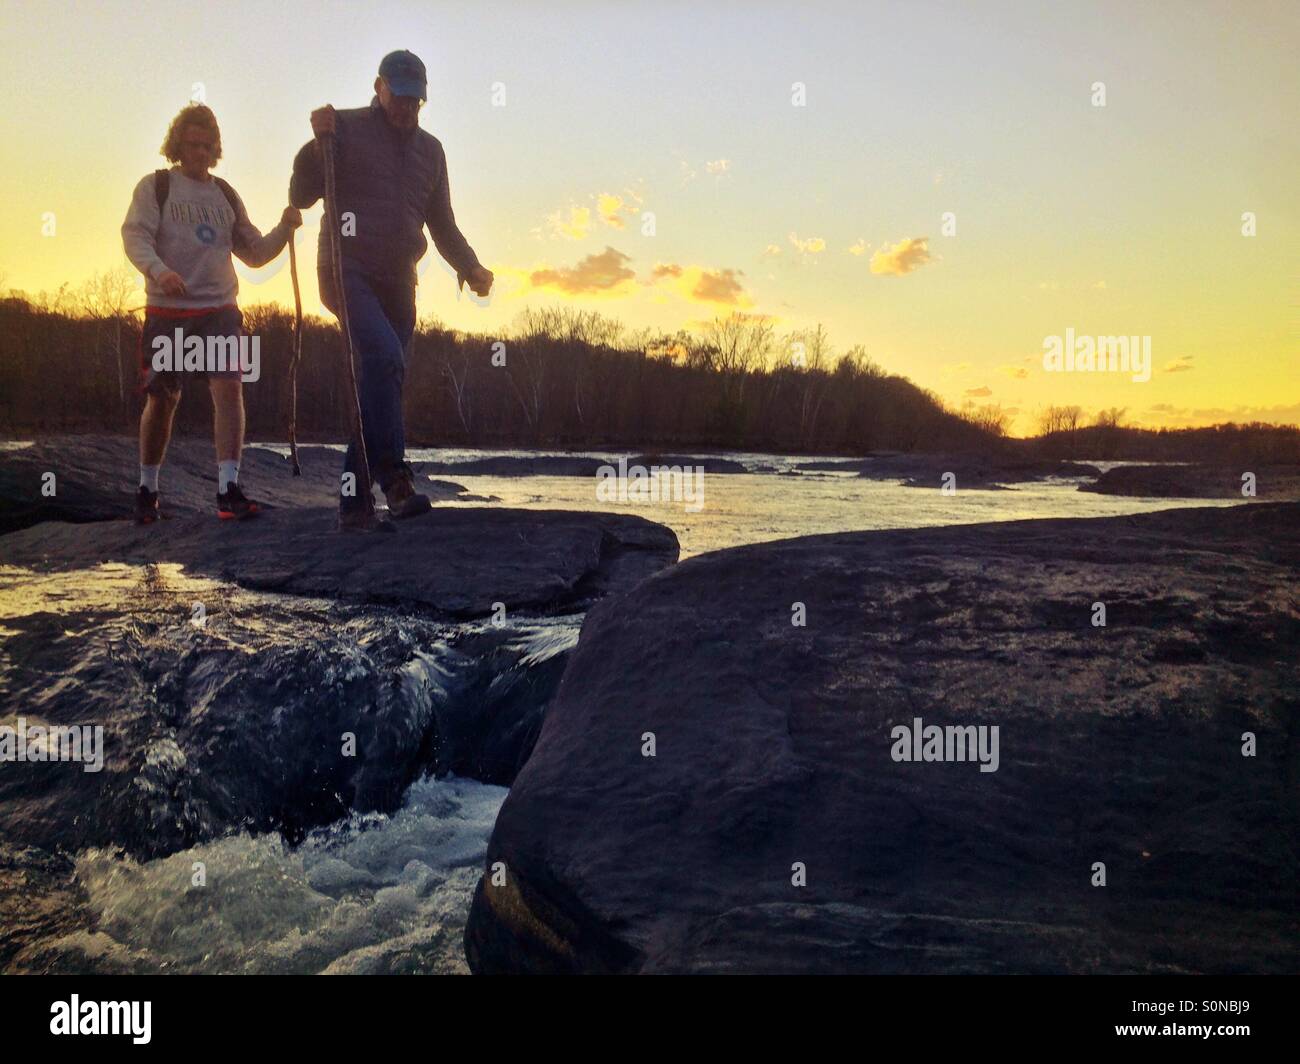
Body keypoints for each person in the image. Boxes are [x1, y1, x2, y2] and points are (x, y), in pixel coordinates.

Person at [289, 49, 493, 532]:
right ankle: (395, 480)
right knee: (385, 359)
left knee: (380, 384)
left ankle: (352, 507)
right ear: (379, 88)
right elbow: (301, 194)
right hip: (345, 267)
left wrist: (471, 266)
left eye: (414, 101)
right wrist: (315, 146)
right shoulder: (346, 128)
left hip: (400, 278)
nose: (405, 108)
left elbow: (442, 223)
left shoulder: (432, 151)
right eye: (398, 97)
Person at [122, 103, 302, 523]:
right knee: (164, 398)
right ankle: (147, 489)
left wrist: (285, 228)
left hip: (219, 307)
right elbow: (135, 236)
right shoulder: (156, 187)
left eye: (208, 146)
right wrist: (159, 271)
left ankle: (228, 489)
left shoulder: (225, 194)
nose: (201, 153)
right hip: (168, 310)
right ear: (177, 145)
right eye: (192, 144)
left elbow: (254, 252)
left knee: (229, 388)